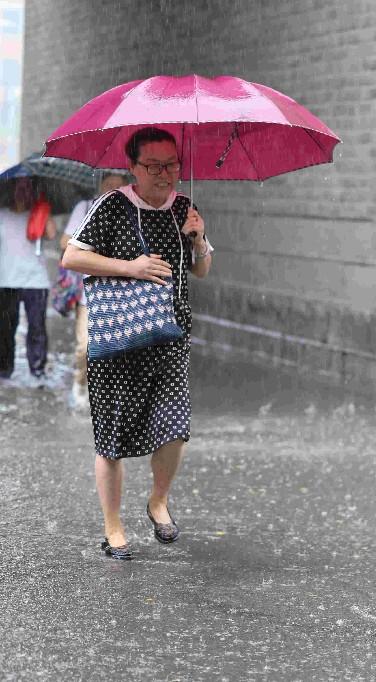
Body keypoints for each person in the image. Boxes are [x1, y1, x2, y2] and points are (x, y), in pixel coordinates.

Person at [62, 127, 213, 560]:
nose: (166, 174)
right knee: (111, 438)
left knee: (175, 428)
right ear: (133, 167)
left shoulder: (185, 208)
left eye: (172, 165)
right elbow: (72, 256)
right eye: (154, 166)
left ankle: (158, 500)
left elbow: (201, 271)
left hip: (171, 337)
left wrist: (198, 239)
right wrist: (131, 266)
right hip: (119, 340)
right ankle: (114, 529)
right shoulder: (111, 206)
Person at [60, 172, 129, 409]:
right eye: (108, 186)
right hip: (89, 293)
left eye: (118, 189)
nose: (112, 192)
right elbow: (63, 243)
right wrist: (88, 243)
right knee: (85, 348)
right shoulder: (85, 208)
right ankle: (79, 383)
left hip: (121, 293)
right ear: (100, 186)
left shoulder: (132, 214)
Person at [0, 177, 57, 382]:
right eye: (19, 188)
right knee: (6, 329)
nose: (22, 192)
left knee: (37, 328)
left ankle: (37, 369)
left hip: (36, 281)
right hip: (6, 280)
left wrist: (44, 206)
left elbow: (51, 234)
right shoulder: (3, 216)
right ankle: (5, 369)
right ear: (12, 190)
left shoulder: (38, 214)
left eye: (27, 188)